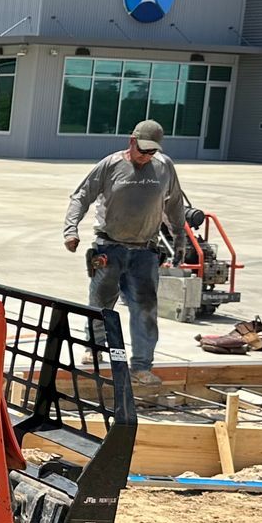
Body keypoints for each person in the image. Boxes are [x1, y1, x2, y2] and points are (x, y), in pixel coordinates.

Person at [63, 119, 185, 395]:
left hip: (144, 252)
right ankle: (94, 350)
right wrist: (70, 230)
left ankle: (141, 366)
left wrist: (180, 238)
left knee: (145, 310)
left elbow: (175, 203)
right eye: (143, 150)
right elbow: (81, 196)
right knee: (100, 305)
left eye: (152, 152)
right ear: (132, 141)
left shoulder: (164, 167)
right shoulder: (110, 165)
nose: (147, 156)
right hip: (109, 248)